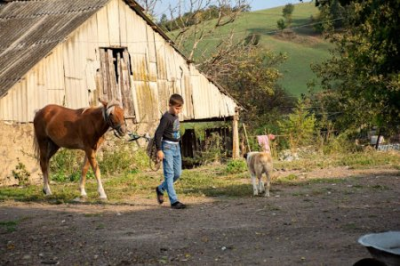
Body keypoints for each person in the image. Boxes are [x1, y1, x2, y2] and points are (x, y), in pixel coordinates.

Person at [154, 94, 186, 209]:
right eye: (177, 108)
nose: (179, 110)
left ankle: (161, 188)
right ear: (170, 105)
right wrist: (159, 150)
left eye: (180, 108)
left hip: (176, 148)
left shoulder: (176, 117)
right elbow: (158, 134)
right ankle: (174, 201)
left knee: (177, 173)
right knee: (169, 174)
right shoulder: (166, 117)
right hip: (167, 148)